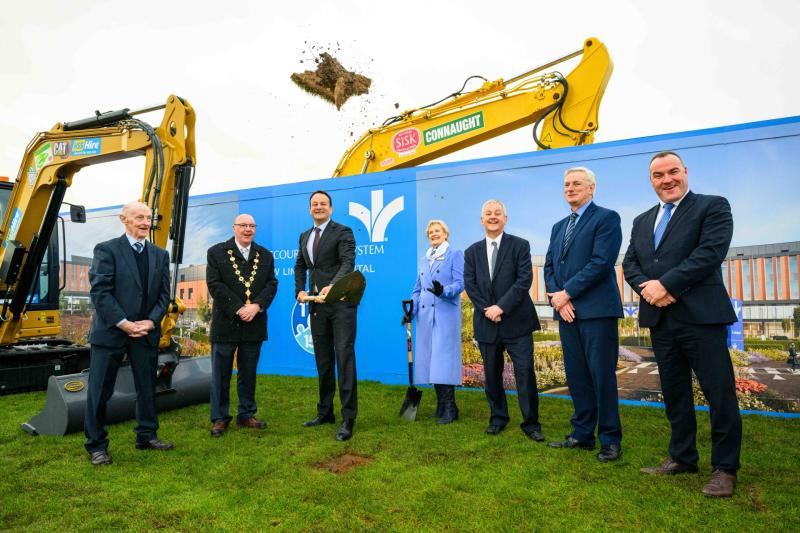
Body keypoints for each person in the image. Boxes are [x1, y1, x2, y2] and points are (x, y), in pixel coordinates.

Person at [623, 151, 742, 498]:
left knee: (718, 393)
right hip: (661, 318)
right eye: (658, 175)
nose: (667, 179)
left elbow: (710, 252)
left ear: (685, 172)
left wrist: (667, 285)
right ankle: (682, 457)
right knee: (674, 392)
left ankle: (725, 468)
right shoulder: (643, 220)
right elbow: (631, 263)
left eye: (673, 171)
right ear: (651, 181)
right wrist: (650, 290)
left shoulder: (712, 206)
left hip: (702, 317)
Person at [83, 201, 173, 465]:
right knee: (100, 392)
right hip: (111, 333)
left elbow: (164, 295)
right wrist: (123, 323)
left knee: (147, 388)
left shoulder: (159, 255)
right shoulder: (107, 250)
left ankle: (146, 435)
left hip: (145, 333)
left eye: (148, 218)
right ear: (124, 219)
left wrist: (151, 322)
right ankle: (96, 445)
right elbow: (100, 292)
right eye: (139, 217)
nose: (145, 222)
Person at [544, 167, 624, 462]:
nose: (570, 188)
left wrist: (568, 293)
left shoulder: (606, 218)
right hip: (566, 313)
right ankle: (581, 434)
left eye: (577, 183)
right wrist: (558, 299)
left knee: (601, 377)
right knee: (577, 377)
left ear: (592, 188)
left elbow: (601, 262)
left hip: (596, 312)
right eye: (566, 184)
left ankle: (610, 439)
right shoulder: (558, 226)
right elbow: (550, 266)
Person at [463, 199, 544, 441]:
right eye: (488, 213)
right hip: (487, 323)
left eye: (498, 213)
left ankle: (531, 424)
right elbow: (471, 285)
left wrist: (501, 307)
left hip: (517, 323)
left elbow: (523, 280)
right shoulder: (471, 252)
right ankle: (498, 418)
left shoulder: (520, 245)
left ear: (505, 218)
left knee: (525, 373)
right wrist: (489, 309)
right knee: (492, 374)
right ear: (481, 220)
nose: (493, 216)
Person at [206, 214, 278, 437]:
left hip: (254, 324)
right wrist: (239, 308)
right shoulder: (216, 252)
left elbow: (271, 284)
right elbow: (214, 285)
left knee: (248, 372)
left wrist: (256, 306)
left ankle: (246, 414)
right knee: (221, 374)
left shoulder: (265, 254)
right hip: (226, 323)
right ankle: (220, 418)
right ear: (234, 228)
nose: (248, 229)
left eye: (252, 226)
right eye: (243, 225)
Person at [295, 190, 358, 441]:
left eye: (323, 204)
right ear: (310, 209)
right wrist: (300, 289)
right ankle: (325, 412)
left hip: (341, 305)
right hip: (317, 307)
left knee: (344, 359)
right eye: (314, 204)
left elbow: (347, 262)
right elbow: (300, 265)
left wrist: (333, 285)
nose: (318, 207)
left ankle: (348, 418)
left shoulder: (343, 232)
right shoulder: (304, 236)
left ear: (331, 208)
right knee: (322, 361)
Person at [404, 219, 464, 424]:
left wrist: (444, 291)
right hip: (425, 315)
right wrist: (410, 310)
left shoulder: (454, 255)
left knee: (443, 360)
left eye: (437, 231)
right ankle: (440, 405)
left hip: (445, 314)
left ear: (445, 234)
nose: (433, 234)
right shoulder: (424, 259)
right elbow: (417, 290)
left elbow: (460, 283)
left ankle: (451, 407)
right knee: (431, 360)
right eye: (430, 232)